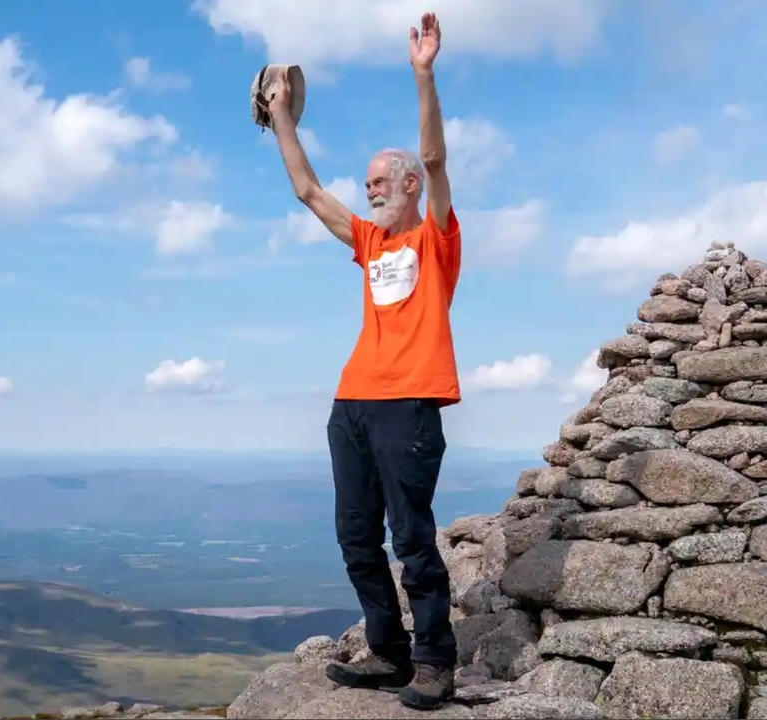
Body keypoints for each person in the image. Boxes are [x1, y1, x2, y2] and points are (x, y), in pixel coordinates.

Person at [264, 11, 460, 711]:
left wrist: (422, 74)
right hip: (352, 404)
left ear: (408, 186)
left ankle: (435, 661)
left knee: (410, 538)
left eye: (380, 180)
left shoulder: (434, 241)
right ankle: (386, 651)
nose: (369, 188)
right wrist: (282, 116)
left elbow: (435, 158)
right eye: (369, 182)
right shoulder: (371, 245)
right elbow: (308, 192)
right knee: (355, 537)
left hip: (408, 404)